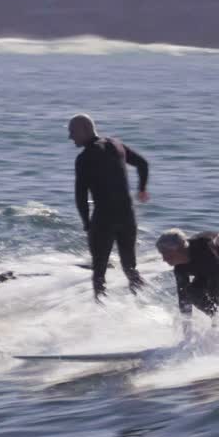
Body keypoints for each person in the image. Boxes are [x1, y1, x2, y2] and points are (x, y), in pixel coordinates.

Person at [69, 113, 150, 300]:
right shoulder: (116, 145)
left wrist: (87, 223)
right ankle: (142, 302)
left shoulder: (84, 158)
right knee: (130, 267)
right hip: (127, 215)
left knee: (99, 271)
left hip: (104, 219)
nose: (70, 137)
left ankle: (101, 308)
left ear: (84, 129)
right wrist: (142, 189)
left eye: (72, 131)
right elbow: (142, 164)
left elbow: (81, 195)